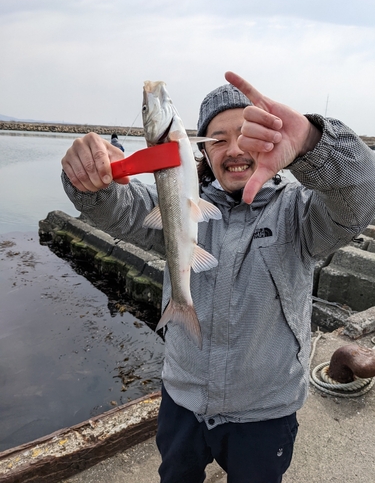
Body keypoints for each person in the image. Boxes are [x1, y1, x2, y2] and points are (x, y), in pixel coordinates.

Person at [61, 71, 375, 483]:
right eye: (217, 139)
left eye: (246, 134)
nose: (234, 149)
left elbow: (361, 197)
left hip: (265, 411)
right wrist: (87, 177)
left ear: (269, 140)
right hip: (183, 401)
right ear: (202, 151)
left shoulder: (301, 214)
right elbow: (114, 207)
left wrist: (314, 144)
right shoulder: (180, 205)